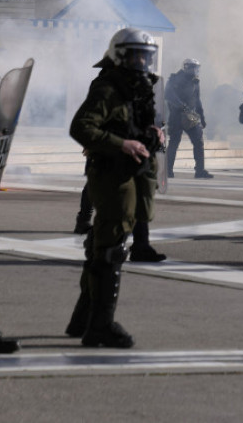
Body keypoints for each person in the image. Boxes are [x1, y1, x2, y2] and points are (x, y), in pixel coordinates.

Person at [67, 27, 164, 348]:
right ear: (120, 55)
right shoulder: (110, 87)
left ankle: (83, 319)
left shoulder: (137, 88)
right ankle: (100, 326)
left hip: (130, 175)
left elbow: (133, 123)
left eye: (145, 55)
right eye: (135, 54)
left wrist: (153, 134)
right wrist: (121, 144)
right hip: (112, 176)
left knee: (102, 243)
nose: (142, 61)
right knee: (110, 249)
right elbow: (81, 127)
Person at [165, 58, 212, 180]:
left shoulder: (195, 82)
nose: (195, 70)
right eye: (193, 67)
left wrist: (202, 117)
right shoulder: (174, 79)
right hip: (176, 116)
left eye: (197, 68)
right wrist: (181, 105)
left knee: (198, 142)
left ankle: (200, 171)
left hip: (191, 116)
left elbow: (197, 100)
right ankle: (168, 170)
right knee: (174, 142)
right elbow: (169, 95)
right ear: (186, 67)